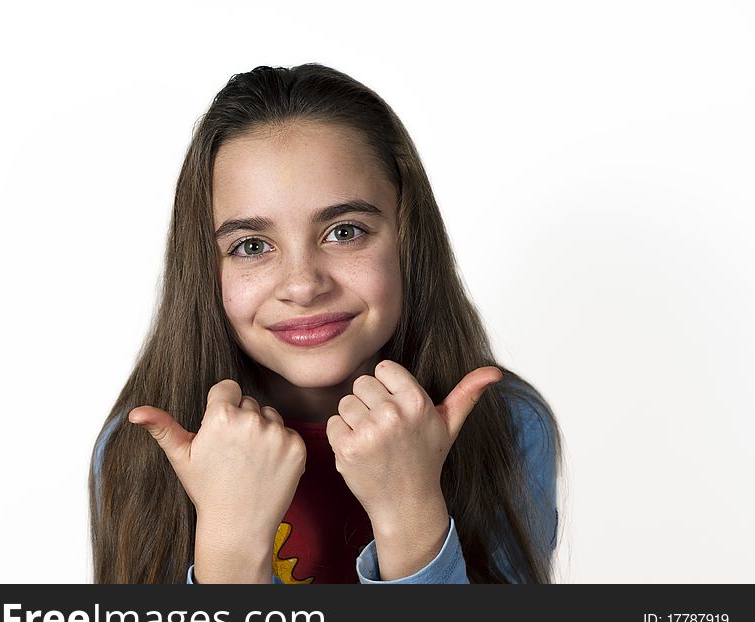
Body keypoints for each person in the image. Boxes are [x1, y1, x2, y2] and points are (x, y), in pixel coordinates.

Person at [90, 63, 564, 584]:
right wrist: (230, 544)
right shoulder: (142, 451)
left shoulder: (507, 429)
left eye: (344, 231)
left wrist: (410, 514)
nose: (303, 284)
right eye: (251, 246)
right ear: (205, 267)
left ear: (409, 238)